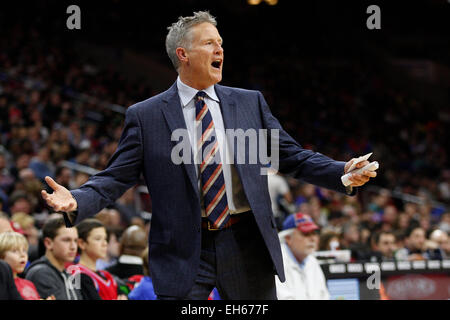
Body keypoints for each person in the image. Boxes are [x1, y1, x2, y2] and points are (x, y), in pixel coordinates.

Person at [40, 11, 377, 299]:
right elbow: (116, 177)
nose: (220, 49)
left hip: (246, 242)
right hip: (183, 248)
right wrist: (78, 201)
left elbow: (290, 156)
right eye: (210, 43)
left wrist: (341, 172)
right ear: (183, 53)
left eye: (221, 43)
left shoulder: (249, 103)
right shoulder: (146, 116)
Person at [24, 216, 84, 300]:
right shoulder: (41, 273)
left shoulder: (67, 272)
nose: (73, 247)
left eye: (75, 241)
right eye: (66, 240)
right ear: (48, 243)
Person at [275, 212, 330, 300]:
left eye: (314, 233)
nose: (312, 239)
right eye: (306, 234)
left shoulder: (312, 261)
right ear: (288, 238)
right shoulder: (277, 262)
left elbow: (324, 296)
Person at [72, 218, 127, 300]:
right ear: (82, 243)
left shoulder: (107, 275)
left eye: (105, 239)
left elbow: (124, 294)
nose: (104, 243)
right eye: (98, 239)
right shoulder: (78, 275)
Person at [0, 231, 51, 300]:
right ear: (1, 257)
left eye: (24, 250)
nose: (22, 255)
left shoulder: (29, 284)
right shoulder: (3, 286)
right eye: (14, 251)